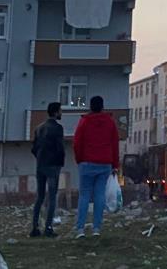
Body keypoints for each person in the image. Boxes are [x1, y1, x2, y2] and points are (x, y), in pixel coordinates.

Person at [72, 95, 119, 238]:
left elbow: (77, 142)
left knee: (84, 195)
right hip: (105, 163)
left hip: (86, 162)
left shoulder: (84, 121)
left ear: (90, 107)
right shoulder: (110, 122)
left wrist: (79, 159)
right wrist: (115, 164)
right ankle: (96, 228)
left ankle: (80, 229)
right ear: (102, 106)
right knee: (99, 195)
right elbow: (115, 144)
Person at [30, 102, 65, 238]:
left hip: (41, 165)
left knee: (40, 197)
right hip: (53, 166)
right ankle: (48, 227)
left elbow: (34, 148)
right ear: (56, 112)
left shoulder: (39, 128)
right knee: (52, 197)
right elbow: (60, 148)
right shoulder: (58, 128)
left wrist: (40, 158)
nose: (61, 113)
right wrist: (60, 162)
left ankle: (35, 227)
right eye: (60, 111)